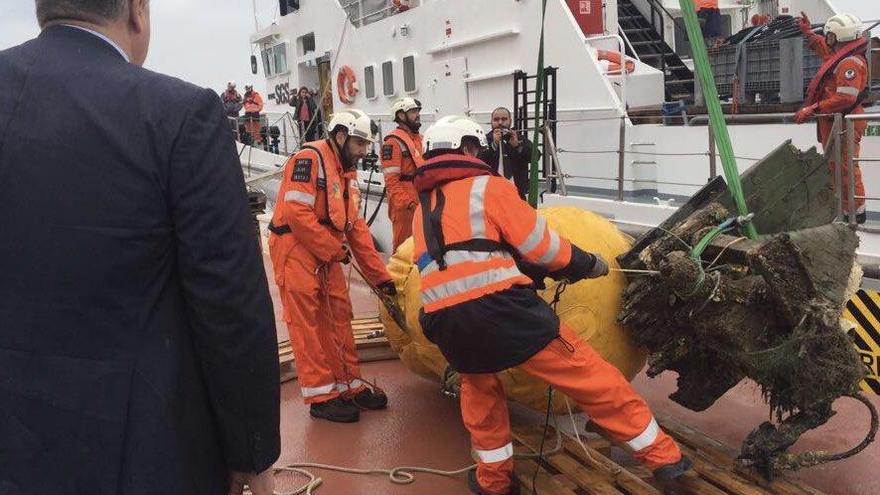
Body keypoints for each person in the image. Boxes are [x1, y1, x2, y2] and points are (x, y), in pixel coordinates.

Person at [0, 1, 280, 494]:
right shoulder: (180, 114)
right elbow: (229, 303)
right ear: (136, 11)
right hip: (139, 456)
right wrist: (250, 451)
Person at [413, 116, 692, 495]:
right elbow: (542, 247)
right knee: (591, 377)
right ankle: (665, 461)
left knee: (481, 398)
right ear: (467, 148)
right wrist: (584, 263)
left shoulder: (421, 211)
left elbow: (451, 262)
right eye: (476, 148)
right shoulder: (487, 188)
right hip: (504, 313)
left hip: (447, 323)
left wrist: (520, 269)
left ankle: (494, 483)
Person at [268, 109, 395, 423]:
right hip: (295, 249)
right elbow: (297, 214)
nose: (365, 151)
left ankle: (349, 385)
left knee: (339, 313)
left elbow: (356, 228)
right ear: (340, 136)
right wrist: (332, 249)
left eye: (366, 144)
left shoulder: (346, 173)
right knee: (306, 322)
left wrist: (382, 278)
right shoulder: (308, 161)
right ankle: (321, 397)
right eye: (359, 143)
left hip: (325, 251)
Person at [795, 12, 869, 224]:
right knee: (837, 166)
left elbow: (846, 97)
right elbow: (823, 48)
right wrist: (808, 33)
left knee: (845, 167)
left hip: (845, 121)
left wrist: (814, 108)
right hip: (835, 121)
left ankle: (856, 212)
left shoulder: (850, 64)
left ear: (837, 36)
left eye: (830, 35)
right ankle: (845, 210)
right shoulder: (842, 55)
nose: (827, 39)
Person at [382, 97, 425, 250]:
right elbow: (391, 181)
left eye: (417, 111)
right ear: (401, 116)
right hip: (405, 204)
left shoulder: (419, 139)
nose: (418, 115)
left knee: (421, 246)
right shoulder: (392, 143)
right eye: (413, 112)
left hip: (420, 196)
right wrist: (407, 203)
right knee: (403, 249)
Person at [477, 107, 533, 200]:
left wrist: (517, 146)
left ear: (510, 121)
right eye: (496, 119)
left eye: (504, 119)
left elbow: (534, 157)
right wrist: (494, 145)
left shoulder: (519, 138)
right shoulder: (483, 140)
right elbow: (478, 161)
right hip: (490, 193)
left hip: (517, 193)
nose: (500, 122)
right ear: (491, 121)